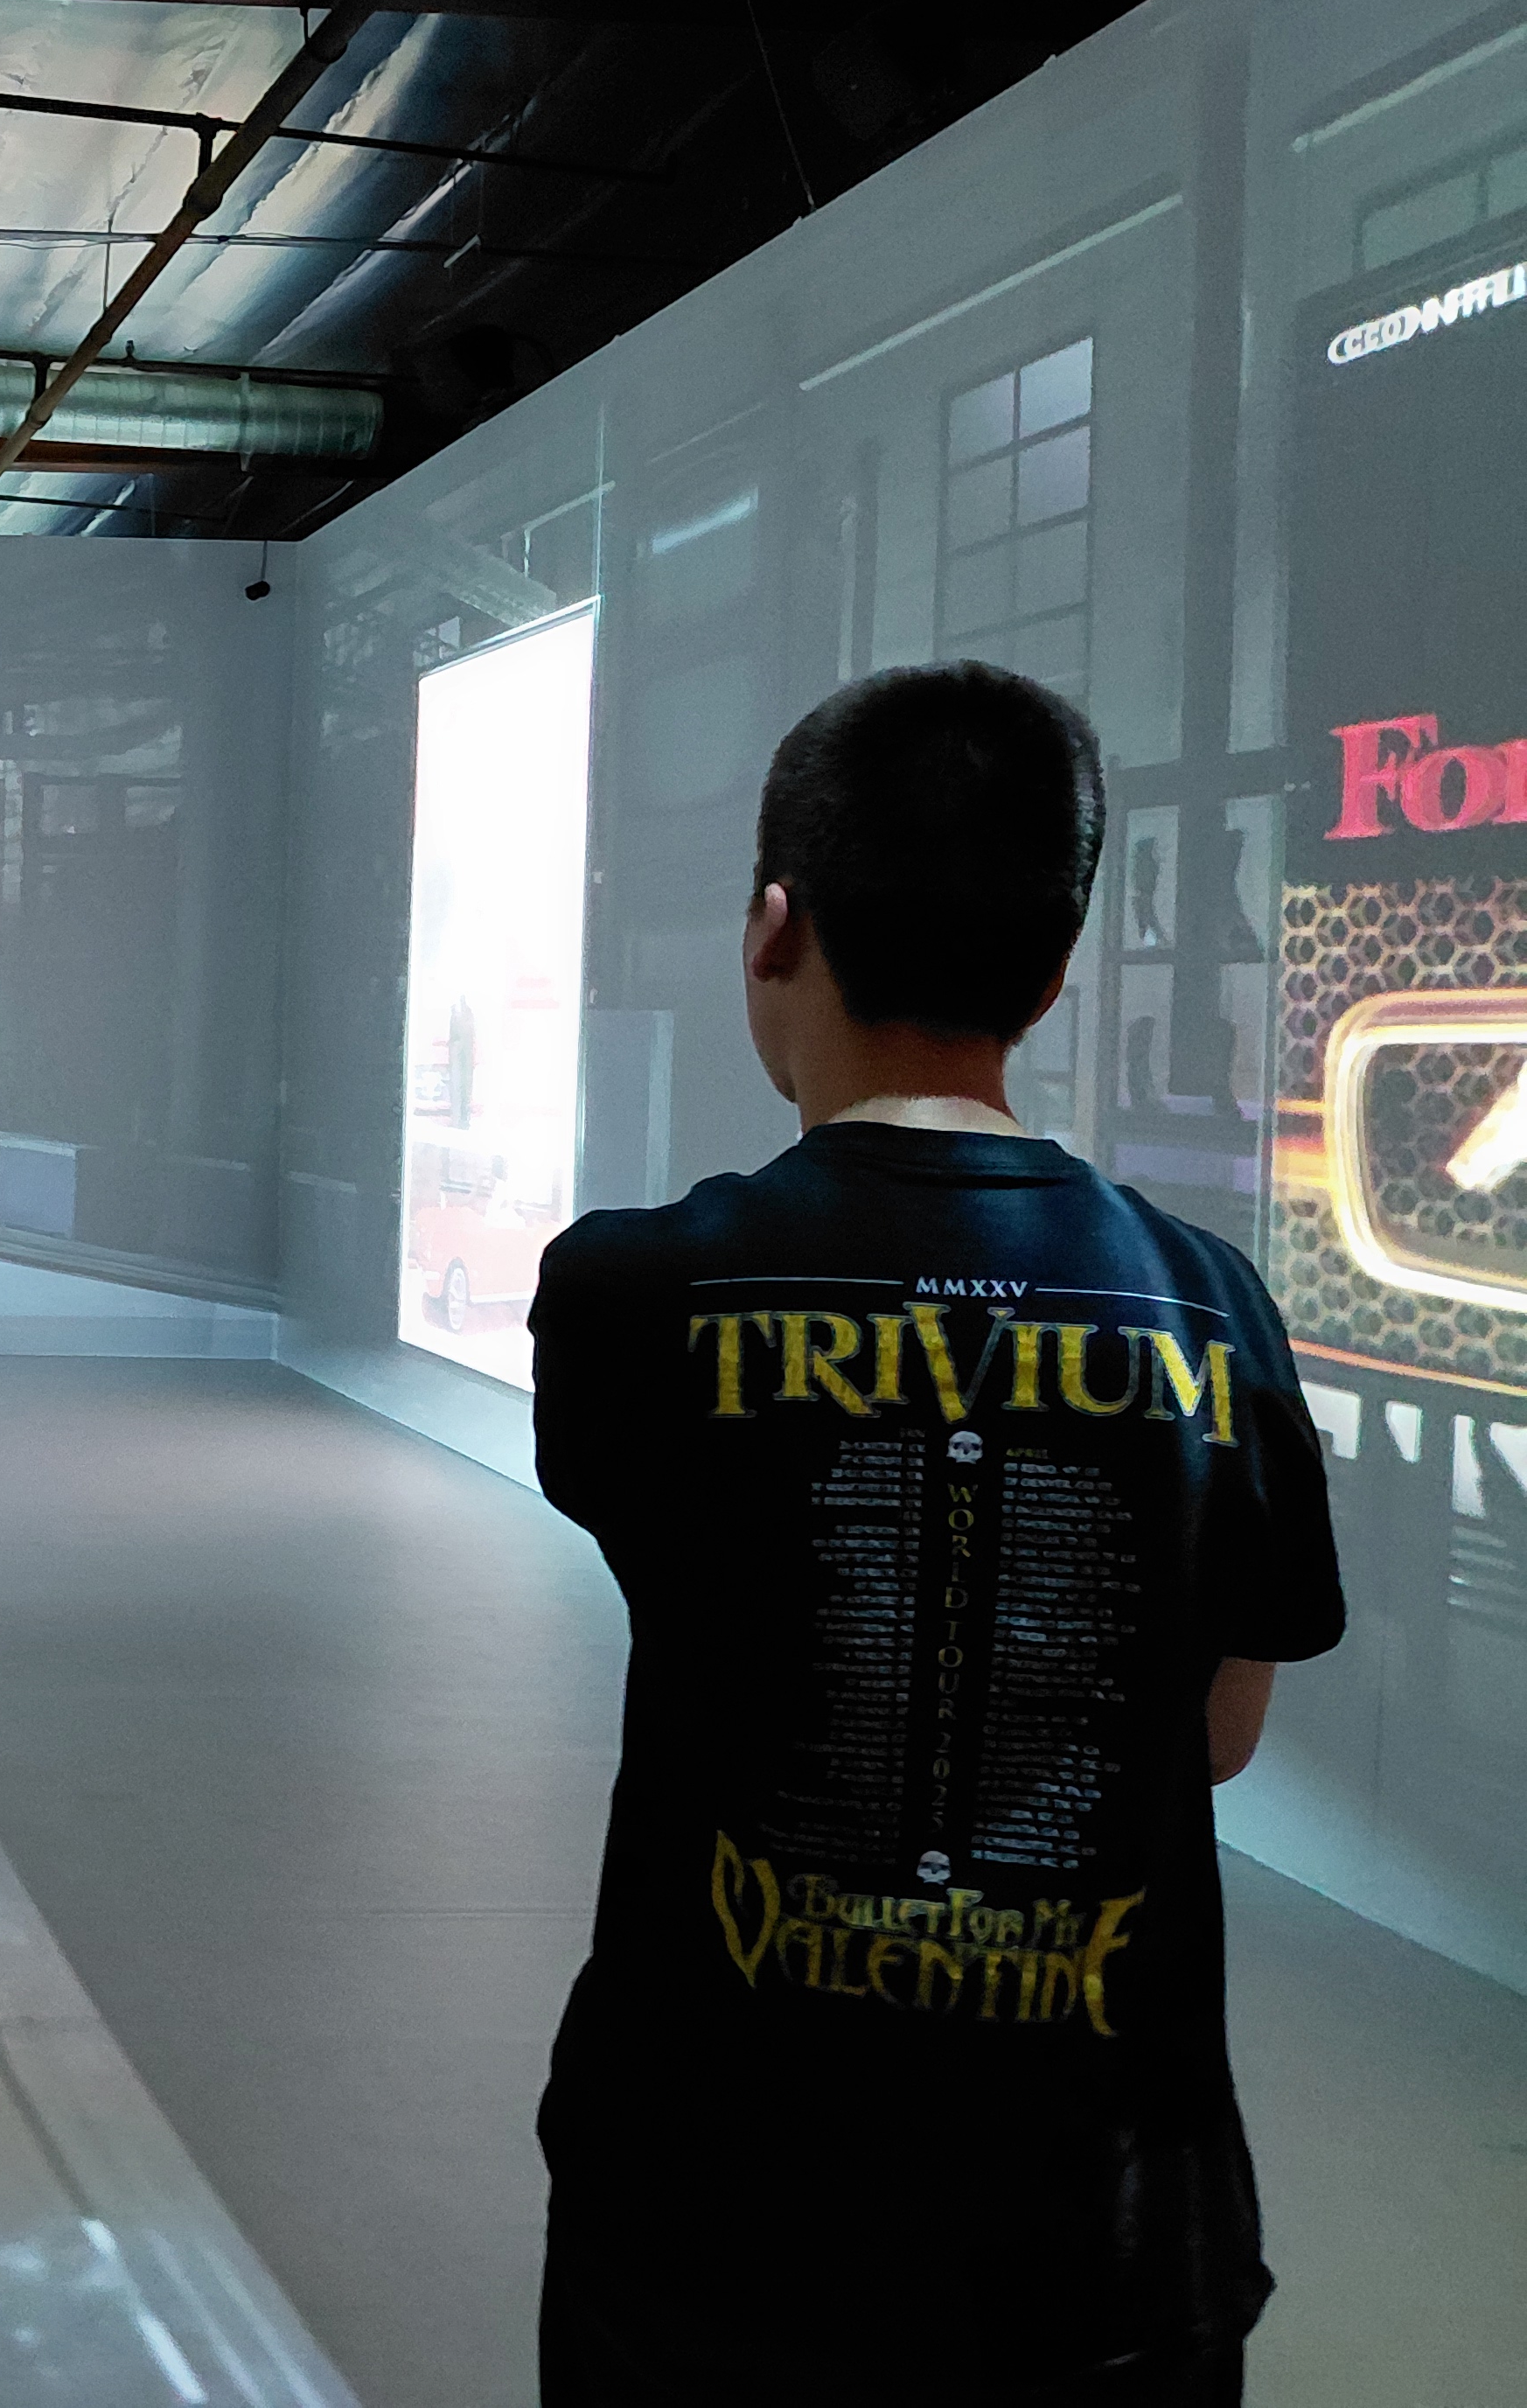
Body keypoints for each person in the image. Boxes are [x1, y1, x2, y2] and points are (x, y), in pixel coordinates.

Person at [525, 661, 1342, 2406]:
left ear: (773, 927)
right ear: (1054, 971)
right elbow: (1212, 1734)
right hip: (1105, 2234)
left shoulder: (628, 1292)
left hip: (709, 2212)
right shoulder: (1214, 1312)